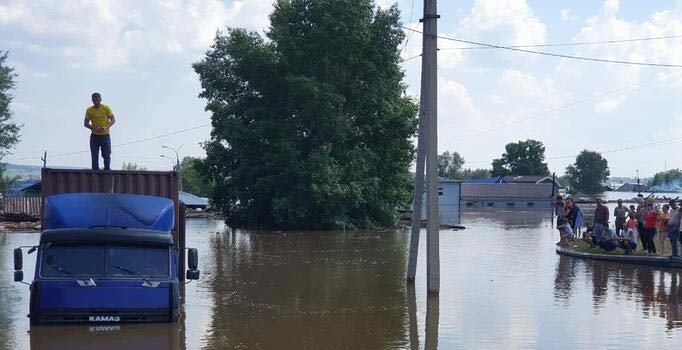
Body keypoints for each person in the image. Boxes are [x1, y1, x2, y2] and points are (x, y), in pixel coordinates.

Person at [84, 92, 116, 170]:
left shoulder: (105, 108)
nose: (96, 102)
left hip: (105, 135)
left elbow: (113, 119)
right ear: (92, 100)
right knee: (94, 156)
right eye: (94, 100)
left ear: (100, 99)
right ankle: (95, 173)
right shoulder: (89, 110)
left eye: (97, 100)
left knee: (106, 154)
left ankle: (107, 170)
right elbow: (85, 123)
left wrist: (106, 127)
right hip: (95, 136)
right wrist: (94, 128)